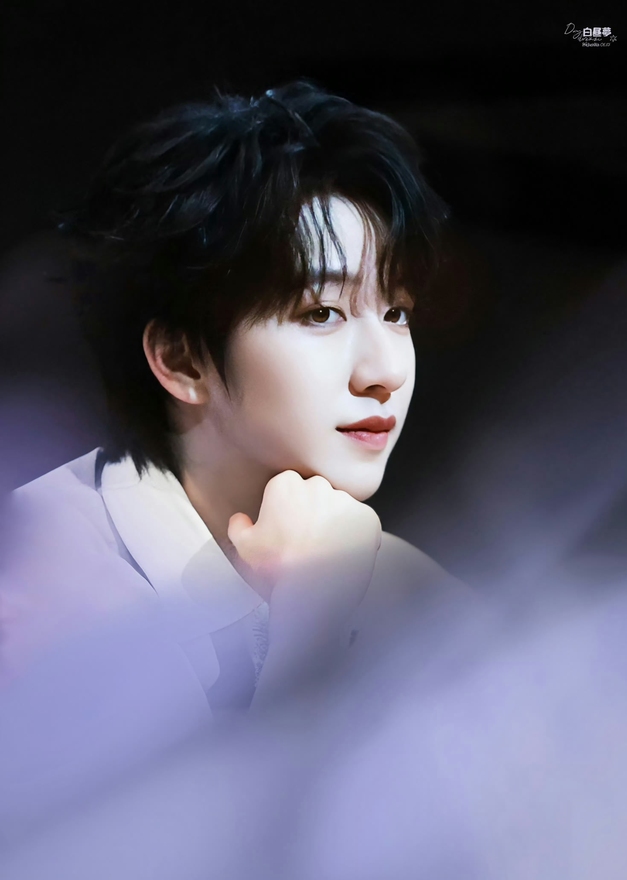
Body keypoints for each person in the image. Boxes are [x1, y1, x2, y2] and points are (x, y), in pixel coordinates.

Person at [0, 81, 464, 829]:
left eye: (396, 312)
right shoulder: (45, 596)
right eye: (322, 312)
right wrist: (318, 615)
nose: (384, 369)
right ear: (181, 359)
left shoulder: (374, 565)